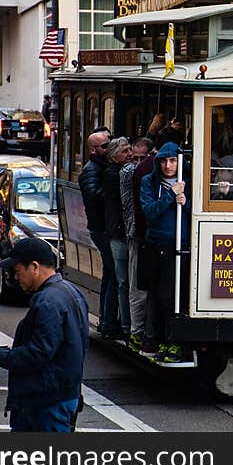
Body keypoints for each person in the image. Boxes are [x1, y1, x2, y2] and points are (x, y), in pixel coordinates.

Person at [0, 238, 89, 432]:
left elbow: (39, 352)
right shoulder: (71, 292)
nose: (16, 278)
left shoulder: (47, 302)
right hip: (61, 395)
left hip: (46, 402)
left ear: (34, 266)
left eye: (18, 271)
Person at [139, 141, 191, 362]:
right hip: (157, 244)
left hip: (180, 245)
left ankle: (174, 342)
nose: (168, 166)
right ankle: (158, 339)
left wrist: (185, 202)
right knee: (157, 296)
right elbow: (150, 212)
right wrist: (171, 195)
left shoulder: (190, 182)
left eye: (172, 160)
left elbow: (198, 210)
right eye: (164, 161)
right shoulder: (148, 182)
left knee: (173, 295)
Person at [79, 129, 121, 339]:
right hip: (101, 228)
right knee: (113, 274)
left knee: (110, 274)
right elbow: (94, 194)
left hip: (103, 227)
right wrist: (116, 193)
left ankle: (106, 319)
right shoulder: (90, 170)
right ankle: (108, 322)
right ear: (94, 150)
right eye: (105, 145)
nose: (109, 147)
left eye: (110, 142)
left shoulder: (101, 166)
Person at [120, 137, 153, 350]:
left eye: (143, 158)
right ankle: (136, 331)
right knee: (134, 285)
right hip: (136, 235)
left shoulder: (143, 172)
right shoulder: (129, 173)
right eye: (135, 158)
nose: (137, 163)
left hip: (145, 236)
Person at [103, 137, 133, 340]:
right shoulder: (114, 175)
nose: (129, 154)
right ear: (114, 156)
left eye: (130, 150)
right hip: (119, 234)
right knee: (122, 281)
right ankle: (124, 324)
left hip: (123, 232)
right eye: (125, 151)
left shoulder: (120, 171)